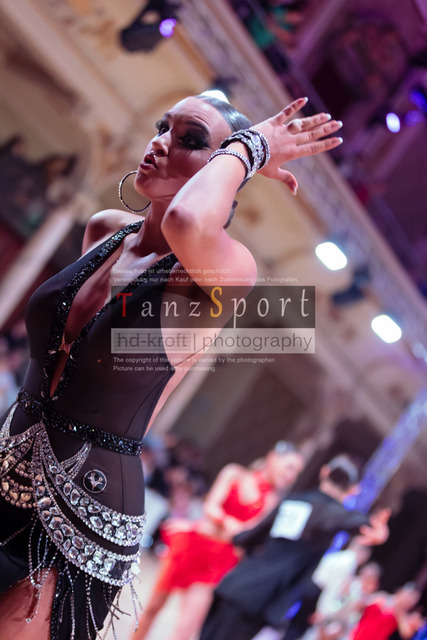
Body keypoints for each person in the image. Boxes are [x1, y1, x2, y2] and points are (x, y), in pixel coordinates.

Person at [0, 92, 343, 640]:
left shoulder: (225, 270)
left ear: (224, 167)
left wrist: (253, 146)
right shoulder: (105, 229)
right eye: (163, 126)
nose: (160, 142)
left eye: (190, 139)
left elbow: (187, 219)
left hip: (81, 517)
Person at [198, 455, 390, 640]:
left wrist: (225, 524)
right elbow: (353, 520)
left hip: (234, 585)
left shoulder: (293, 501)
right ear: (354, 489)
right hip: (256, 601)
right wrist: (376, 529)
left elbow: (245, 538)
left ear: (324, 471)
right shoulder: (327, 513)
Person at [131, 441, 304, 640]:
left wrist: (224, 524)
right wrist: (228, 524)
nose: (291, 476)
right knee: (152, 608)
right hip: (192, 547)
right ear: (273, 458)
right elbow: (211, 507)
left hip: (218, 563)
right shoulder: (234, 474)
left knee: (185, 630)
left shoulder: (272, 501)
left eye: (296, 473)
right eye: (290, 467)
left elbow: (249, 534)